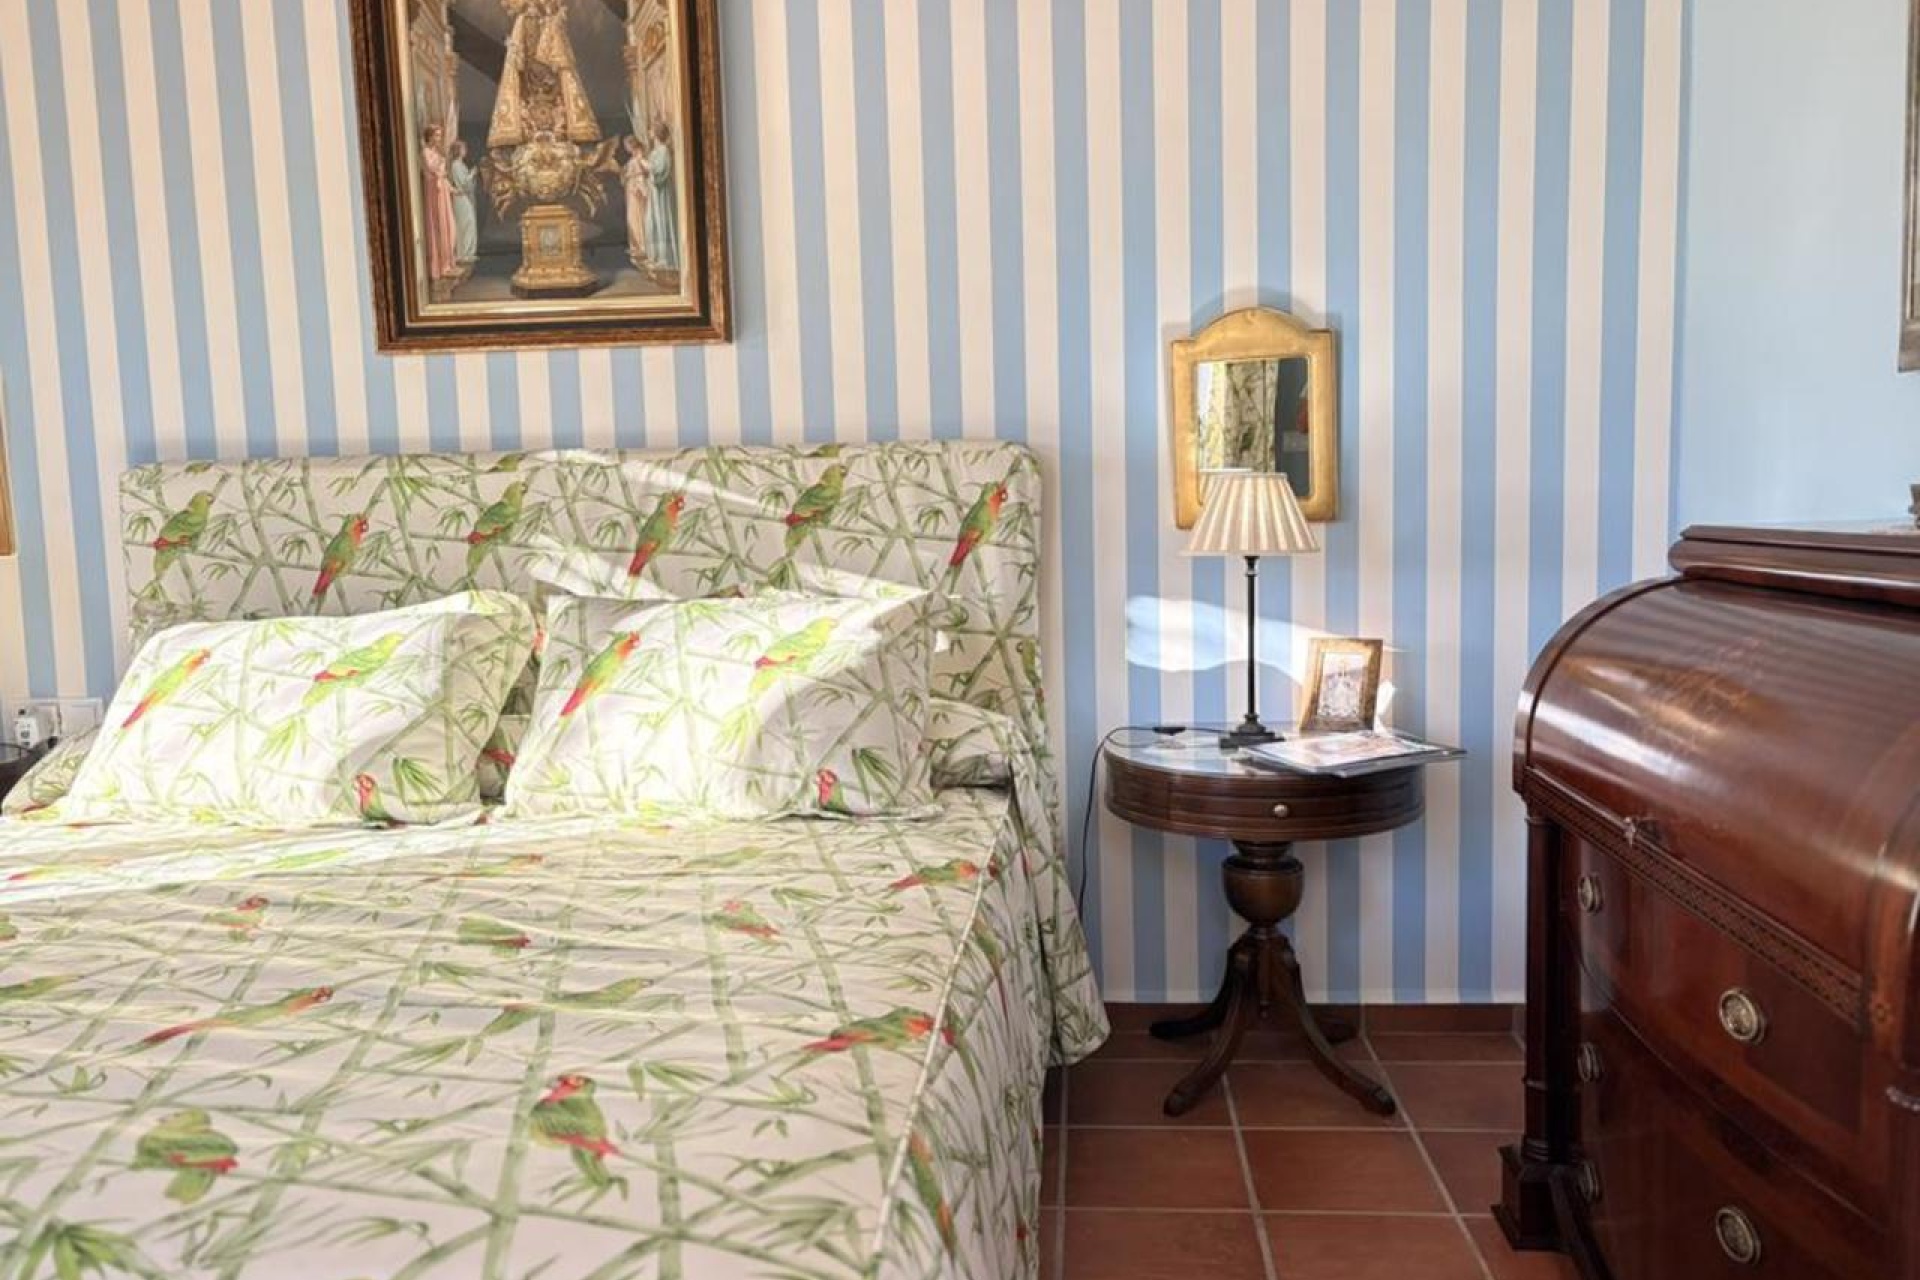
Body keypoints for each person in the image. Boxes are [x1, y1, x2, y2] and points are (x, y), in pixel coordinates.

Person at [420, 124, 458, 292]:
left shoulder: (436, 153)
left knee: (448, 225)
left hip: (441, 190)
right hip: (434, 191)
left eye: (440, 135)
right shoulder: (426, 153)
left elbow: (443, 175)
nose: (439, 138)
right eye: (436, 135)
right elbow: (432, 169)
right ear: (429, 137)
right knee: (438, 224)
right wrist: (441, 162)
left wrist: (451, 188)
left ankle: (447, 262)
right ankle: (439, 265)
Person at [643, 120, 679, 274]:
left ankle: (666, 258)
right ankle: (657, 256)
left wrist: (648, 167)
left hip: (661, 191)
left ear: (657, 133)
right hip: (655, 192)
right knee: (653, 221)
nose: (649, 133)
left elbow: (662, 171)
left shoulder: (663, 150)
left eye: (651, 130)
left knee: (662, 220)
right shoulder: (655, 151)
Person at [448, 139, 478, 270]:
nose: (465, 151)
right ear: (458, 150)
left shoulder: (461, 164)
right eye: (463, 148)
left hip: (465, 197)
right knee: (466, 224)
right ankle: (464, 254)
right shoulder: (456, 165)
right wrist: (471, 174)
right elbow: (464, 183)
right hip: (461, 198)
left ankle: (467, 253)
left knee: (468, 223)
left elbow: (467, 184)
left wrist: (471, 176)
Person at [622, 135, 651, 270]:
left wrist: (641, 191)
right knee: (633, 219)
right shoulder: (634, 160)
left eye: (627, 145)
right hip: (631, 193)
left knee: (637, 219)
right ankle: (637, 246)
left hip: (636, 195)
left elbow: (640, 178)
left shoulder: (637, 160)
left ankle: (641, 246)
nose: (626, 148)